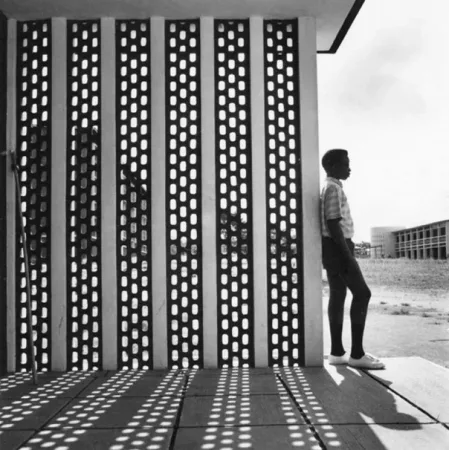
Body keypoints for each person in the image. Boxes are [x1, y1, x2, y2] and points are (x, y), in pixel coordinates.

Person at [320, 149, 384, 369]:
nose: (349, 168)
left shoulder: (331, 187)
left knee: (338, 294)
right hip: (339, 247)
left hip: (331, 247)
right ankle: (357, 354)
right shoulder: (333, 188)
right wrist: (347, 255)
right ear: (333, 166)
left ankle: (337, 353)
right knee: (363, 293)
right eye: (346, 164)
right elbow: (332, 223)